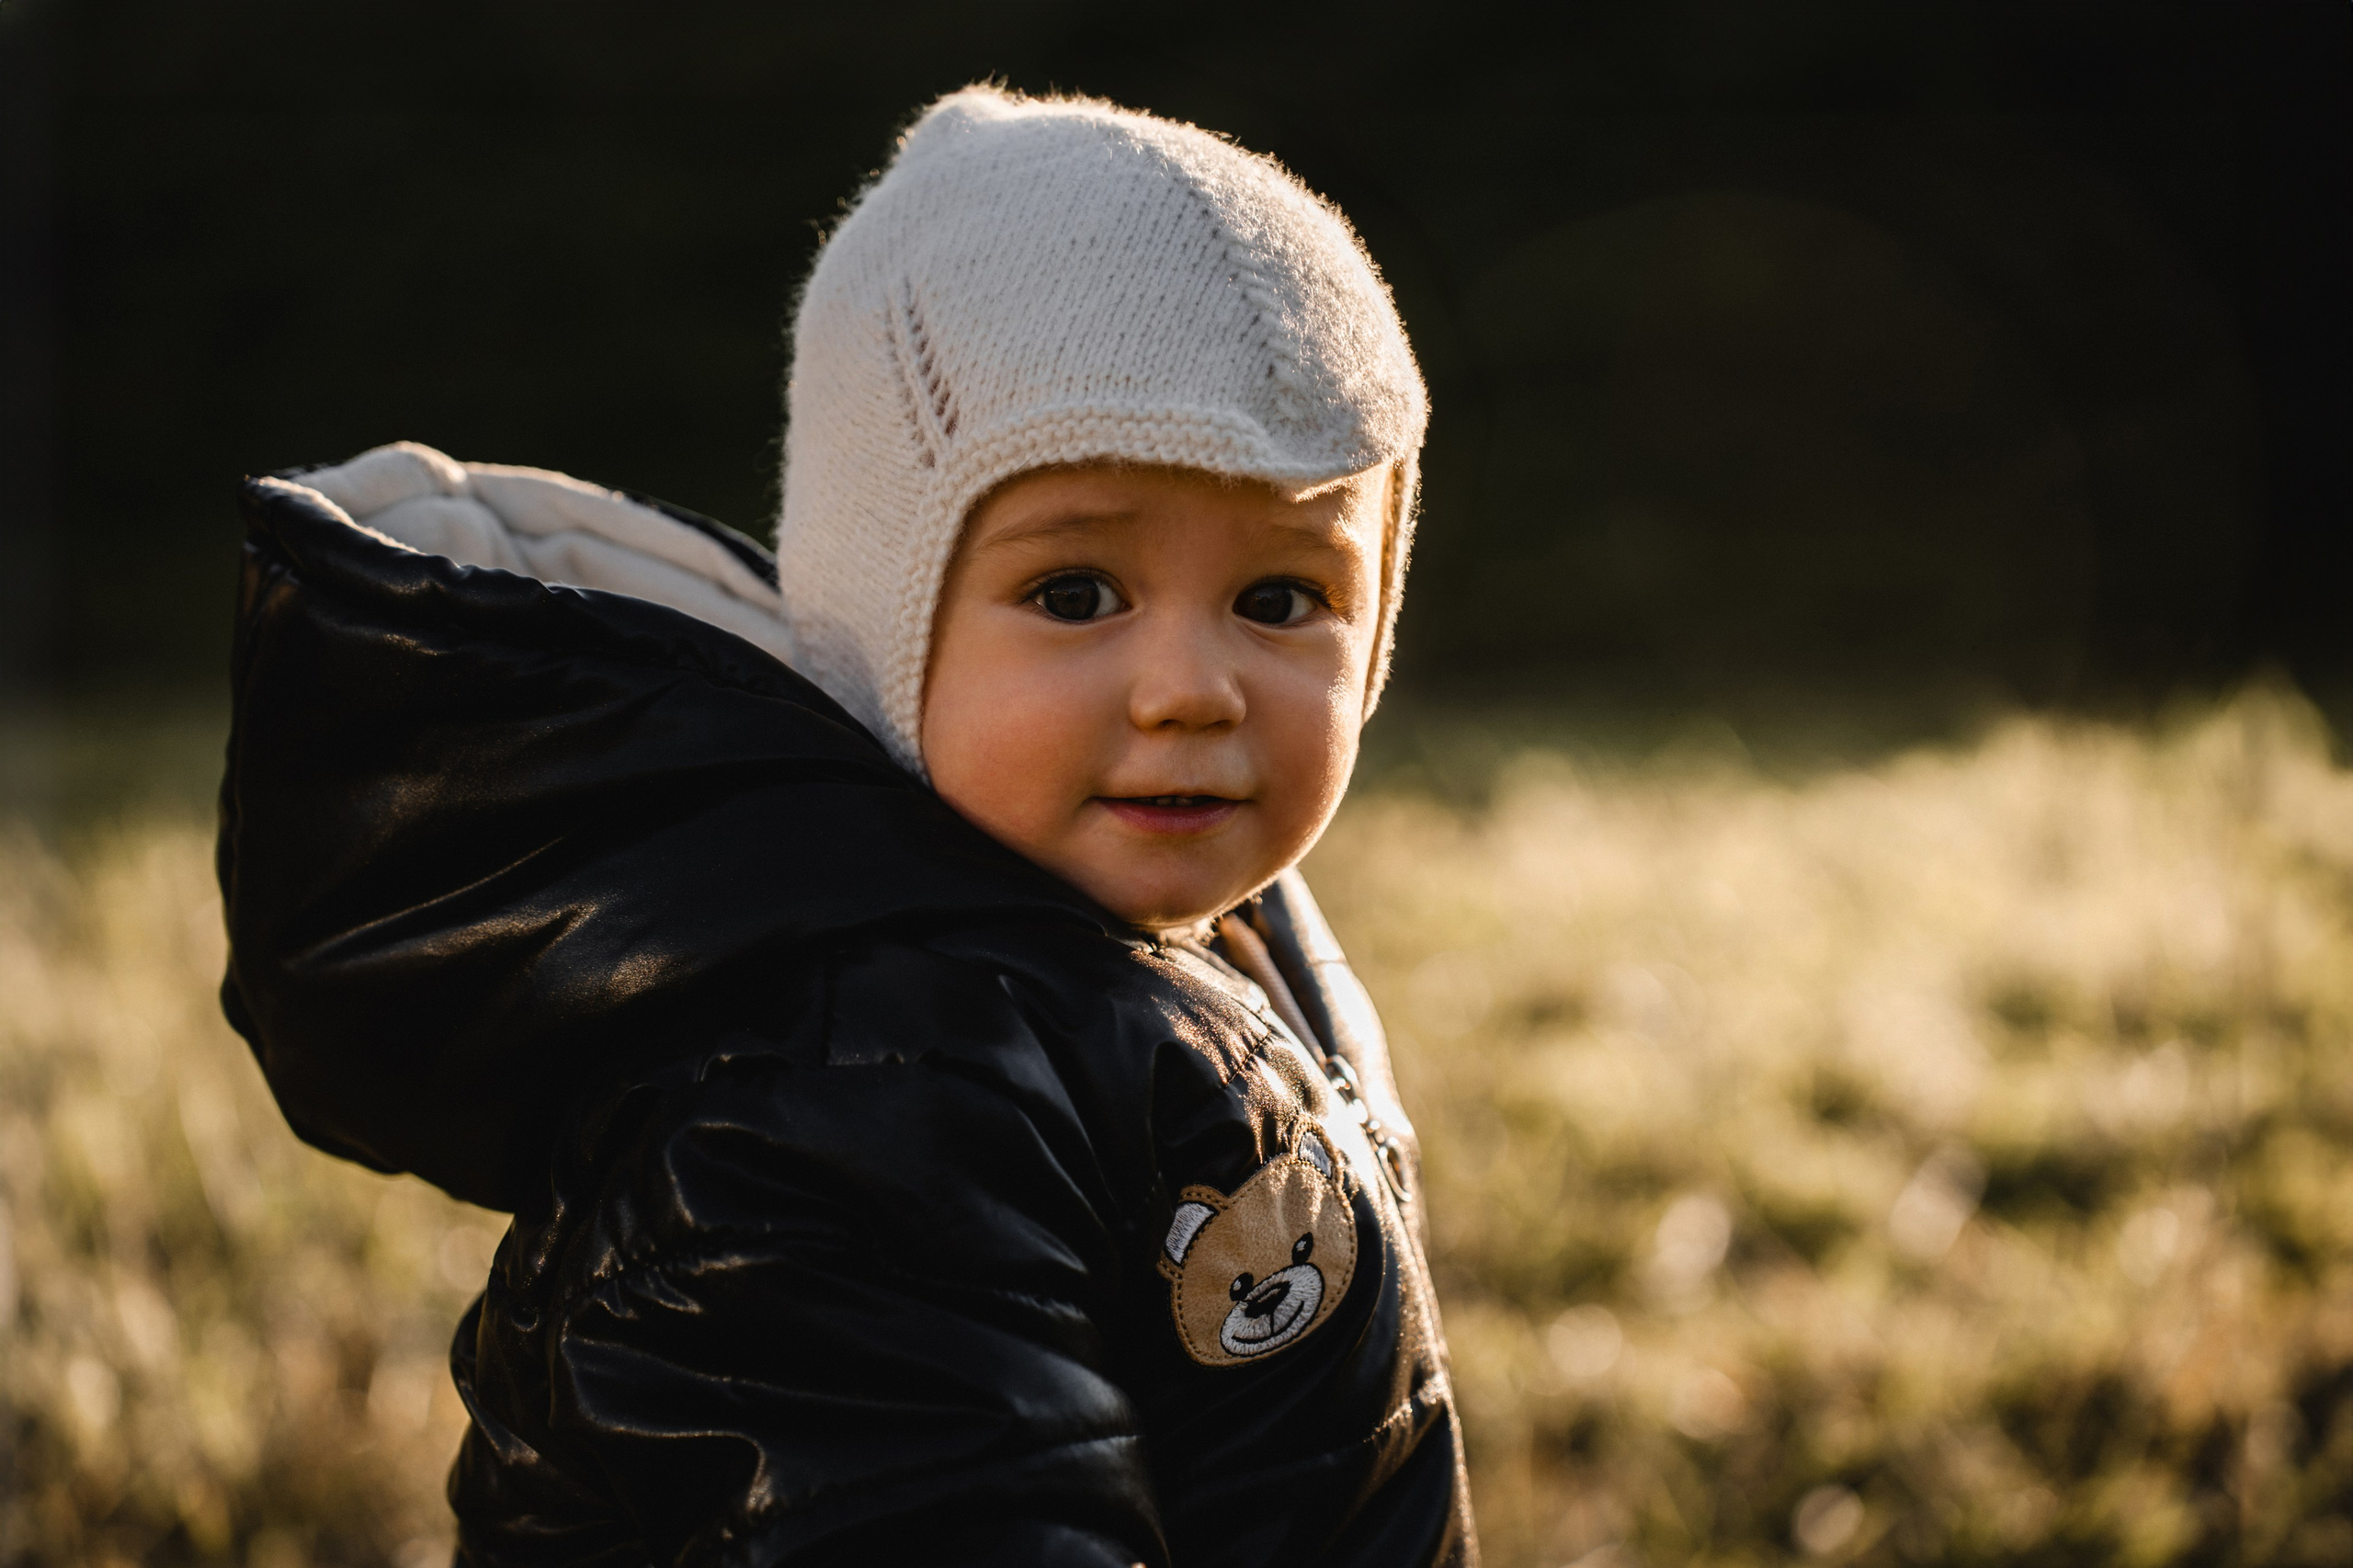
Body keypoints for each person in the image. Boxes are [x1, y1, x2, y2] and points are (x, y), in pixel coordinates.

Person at [218, 87, 1474, 1566]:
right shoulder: (854, 1089)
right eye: (1076, 591)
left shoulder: (1186, 941)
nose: (1193, 689)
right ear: (884, 627)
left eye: (1284, 597)